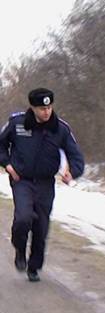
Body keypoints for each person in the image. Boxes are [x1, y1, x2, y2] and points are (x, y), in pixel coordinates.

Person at [0, 88, 85, 282]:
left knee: (41, 227)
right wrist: (7, 164)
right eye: (41, 108)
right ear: (32, 107)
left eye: (49, 107)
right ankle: (19, 249)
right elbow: (1, 145)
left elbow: (75, 155)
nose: (46, 112)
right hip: (22, 180)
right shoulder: (17, 123)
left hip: (46, 184)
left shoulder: (60, 128)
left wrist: (73, 172)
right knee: (23, 218)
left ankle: (34, 266)